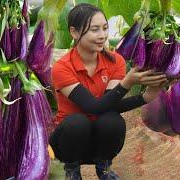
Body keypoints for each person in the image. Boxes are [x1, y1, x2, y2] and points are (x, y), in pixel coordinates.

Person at [49, 3, 169, 180]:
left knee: (113, 120)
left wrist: (145, 97)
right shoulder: (62, 68)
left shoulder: (115, 61)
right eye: (94, 30)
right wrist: (127, 83)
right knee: (78, 122)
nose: (102, 36)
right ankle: (72, 170)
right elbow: (93, 107)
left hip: (98, 143)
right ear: (74, 32)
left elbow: (110, 104)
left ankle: (103, 168)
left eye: (105, 28)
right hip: (68, 143)